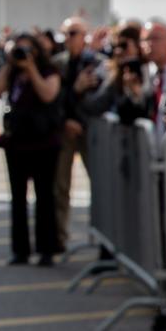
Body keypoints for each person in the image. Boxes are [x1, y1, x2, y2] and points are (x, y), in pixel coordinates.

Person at [0, 32, 62, 266]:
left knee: (44, 197)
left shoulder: (48, 72)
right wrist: (9, 65)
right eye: (18, 50)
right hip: (17, 141)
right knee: (18, 199)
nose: (22, 55)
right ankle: (20, 250)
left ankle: (47, 249)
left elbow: (48, 94)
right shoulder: (13, 73)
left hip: (43, 142)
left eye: (27, 50)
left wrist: (31, 69)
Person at [51, 16, 91, 252]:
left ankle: (102, 237)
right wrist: (66, 118)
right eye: (65, 34)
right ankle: (60, 237)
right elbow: (54, 98)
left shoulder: (94, 62)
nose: (68, 38)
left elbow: (99, 98)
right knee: (61, 186)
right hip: (64, 129)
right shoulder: (57, 64)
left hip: (89, 130)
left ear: (84, 35)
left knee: (99, 184)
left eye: (73, 33)